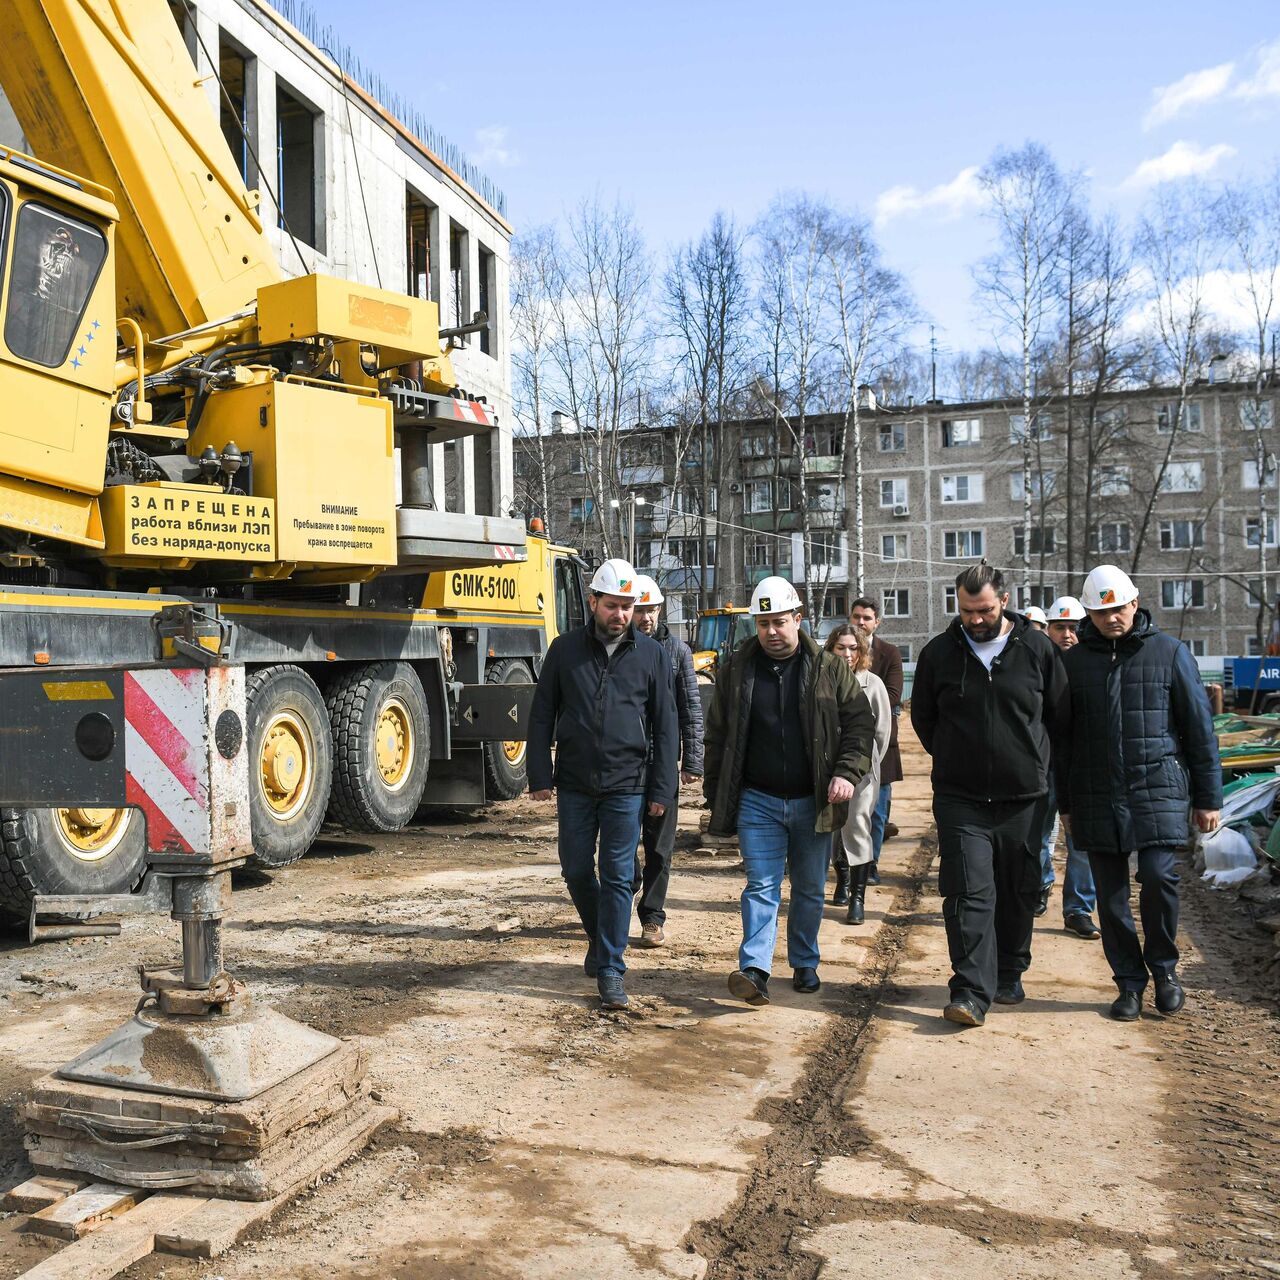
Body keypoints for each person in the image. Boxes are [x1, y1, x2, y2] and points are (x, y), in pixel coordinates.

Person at [1054, 565, 1221, 1022]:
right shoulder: (1072, 663)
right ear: (1089, 612)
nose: (1112, 618)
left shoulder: (1168, 653)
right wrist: (1065, 804)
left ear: (1135, 602)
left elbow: (1198, 729)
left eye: (1119, 607)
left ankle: (1165, 972)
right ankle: (1128, 982)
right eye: (1102, 610)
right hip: (1095, 791)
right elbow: (1061, 741)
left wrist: (1209, 798)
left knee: (1159, 877)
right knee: (1109, 896)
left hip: (1157, 787)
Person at [704, 576, 874, 1004]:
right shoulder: (737, 670)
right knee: (760, 885)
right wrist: (715, 793)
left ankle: (804, 961)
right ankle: (755, 969)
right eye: (762, 624)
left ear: (798, 619)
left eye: (778, 622)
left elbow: (859, 725)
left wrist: (845, 773)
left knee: (809, 887)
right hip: (757, 800)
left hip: (813, 799)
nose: (770, 632)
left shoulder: (830, 669)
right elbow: (718, 735)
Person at [911, 563, 1065, 1028]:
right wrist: (958, 757)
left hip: (1024, 799)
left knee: (1018, 891)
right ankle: (969, 991)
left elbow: (1059, 718)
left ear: (1004, 599)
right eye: (965, 611)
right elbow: (924, 720)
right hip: (961, 798)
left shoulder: (1038, 650)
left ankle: (1010, 969)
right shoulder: (940, 653)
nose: (975, 620)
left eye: (984, 610)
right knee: (967, 892)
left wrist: (1035, 767)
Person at [528, 558, 679, 1011]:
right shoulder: (564, 650)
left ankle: (612, 967)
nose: (621, 615)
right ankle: (603, 936)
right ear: (593, 602)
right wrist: (539, 774)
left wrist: (661, 790)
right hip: (574, 782)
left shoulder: (651, 656)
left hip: (627, 784)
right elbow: (541, 715)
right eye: (613, 606)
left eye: (628, 607)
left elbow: (666, 725)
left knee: (616, 875)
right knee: (575, 868)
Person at [629, 574, 704, 947]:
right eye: (640, 609)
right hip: (624, 765)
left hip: (662, 766)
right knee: (622, 841)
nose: (646, 617)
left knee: (659, 845)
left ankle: (652, 917)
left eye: (652, 609)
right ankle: (630, 881)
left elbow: (691, 708)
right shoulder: (619, 652)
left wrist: (693, 760)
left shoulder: (677, 652)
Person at [1038, 596, 1100, 940]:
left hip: (1081, 766)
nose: (1066, 634)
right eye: (1059, 627)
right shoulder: (1033, 665)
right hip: (1043, 765)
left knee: (1081, 842)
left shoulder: (1092, 665)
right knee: (1036, 834)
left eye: (1073, 627)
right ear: (1048, 630)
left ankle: (1078, 909)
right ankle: (1040, 883)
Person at [825, 625, 891, 925]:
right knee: (833, 829)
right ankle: (842, 880)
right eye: (841, 648)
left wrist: (867, 764)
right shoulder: (821, 680)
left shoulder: (872, 684)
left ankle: (858, 898)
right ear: (831, 649)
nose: (848, 654)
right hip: (826, 768)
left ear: (862, 652)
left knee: (857, 825)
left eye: (853, 648)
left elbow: (882, 733)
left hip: (862, 771)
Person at [849, 597, 904, 875]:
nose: (861, 622)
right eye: (857, 616)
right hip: (843, 742)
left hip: (881, 743)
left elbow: (893, 696)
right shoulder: (841, 650)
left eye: (867, 618)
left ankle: (871, 864)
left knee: (877, 810)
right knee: (848, 812)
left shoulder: (890, 653)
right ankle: (848, 865)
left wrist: (855, 698)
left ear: (877, 622)